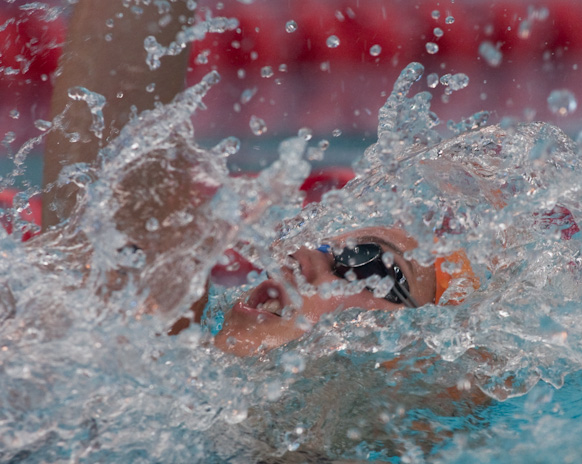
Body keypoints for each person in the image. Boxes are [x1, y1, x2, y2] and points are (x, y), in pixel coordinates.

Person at [38, 0, 478, 358]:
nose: (299, 256)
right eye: (321, 245)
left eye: (367, 263)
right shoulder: (138, 348)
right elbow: (117, 134)